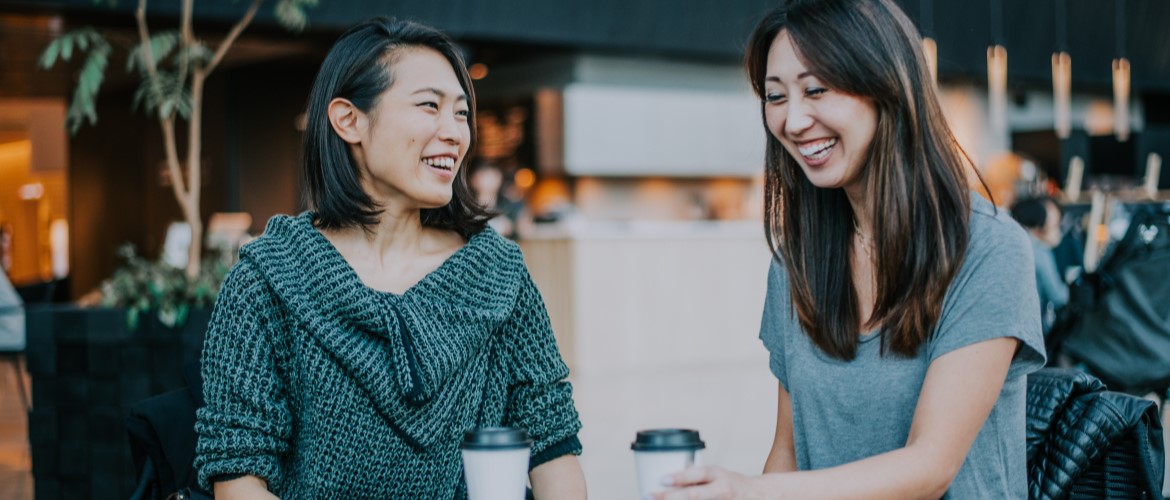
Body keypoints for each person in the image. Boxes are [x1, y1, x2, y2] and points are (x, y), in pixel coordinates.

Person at [656, 0, 1046, 498]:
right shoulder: (799, 261)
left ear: (886, 88)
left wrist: (747, 491)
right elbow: (788, 453)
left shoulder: (987, 249)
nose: (793, 121)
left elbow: (931, 466)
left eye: (816, 90)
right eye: (776, 97)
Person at [194, 17, 586, 499]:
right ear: (349, 120)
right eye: (429, 106)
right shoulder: (268, 278)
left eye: (462, 114)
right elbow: (237, 474)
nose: (455, 133)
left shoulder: (498, 274)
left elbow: (552, 449)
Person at [1011, 196, 1070, 335]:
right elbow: (1058, 296)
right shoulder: (1039, 251)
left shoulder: (1007, 241)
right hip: (1028, 328)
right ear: (1041, 223)